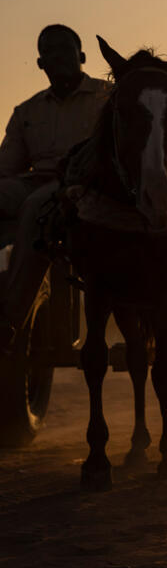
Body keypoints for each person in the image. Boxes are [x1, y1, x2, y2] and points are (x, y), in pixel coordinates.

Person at [0, 25, 111, 348]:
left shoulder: (108, 98)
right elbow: (7, 167)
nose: (58, 57)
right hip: (35, 181)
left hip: (87, 185)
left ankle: (11, 320)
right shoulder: (28, 111)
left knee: (37, 208)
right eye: (49, 51)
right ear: (40, 63)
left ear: (82, 56)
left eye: (65, 49)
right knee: (26, 198)